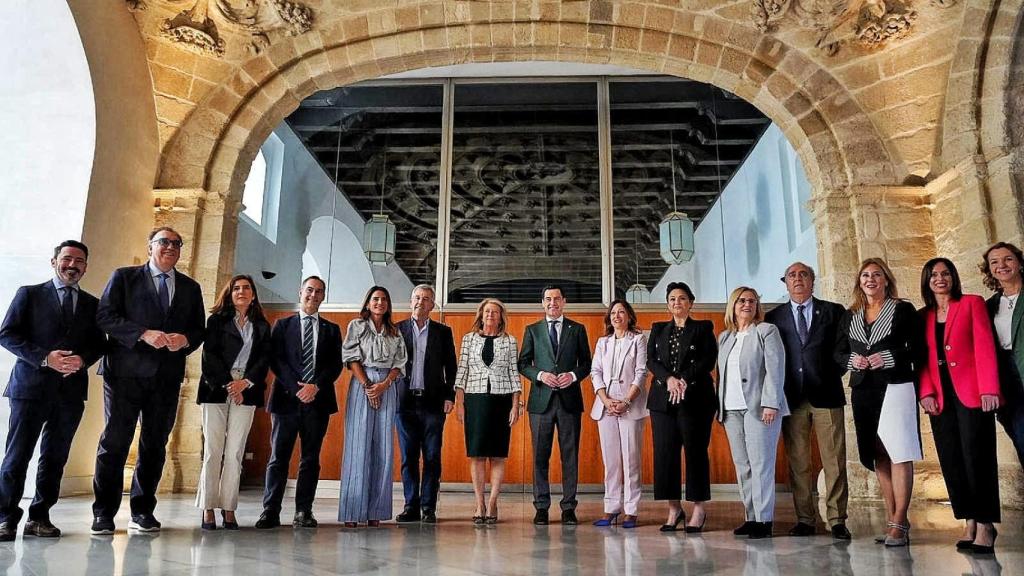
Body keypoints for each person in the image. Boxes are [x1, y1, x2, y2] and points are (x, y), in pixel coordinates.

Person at [91, 227, 206, 535]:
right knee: (114, 443)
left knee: (154, 445)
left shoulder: (190, 288)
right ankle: (103, 513)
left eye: (176, 243)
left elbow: (198, 330)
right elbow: (105, 317)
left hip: (166, 379)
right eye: (164, 242)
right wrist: (142, 334)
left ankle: (142, 511)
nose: (170, 247)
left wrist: (185, 340)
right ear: (151, 246)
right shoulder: (124, 277)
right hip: (124, 375)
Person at [0, 240, 105, 540]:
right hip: (30, 388)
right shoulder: (29, 294)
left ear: (86, 266)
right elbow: (6, 334)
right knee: (17, 455)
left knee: (55, 457)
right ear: (54, 261)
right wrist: (45, 358)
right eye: (67, 259)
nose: (72, 265)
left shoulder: (92, 305)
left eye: (79, 261)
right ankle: (5, 517)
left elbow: (100, 343)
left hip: (70, 393)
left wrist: (82, 360)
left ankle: (40, 516)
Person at [834, 258, 924, 547]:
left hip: (895, 386)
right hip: (863, 389)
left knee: (898, 450)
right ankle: (893, 518)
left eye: (876, 275)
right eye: (865, 276)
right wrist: (853, 360)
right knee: (878, 454)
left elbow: (917, 349)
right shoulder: (850, 316)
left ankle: (900, 520)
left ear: (886, 280)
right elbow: (837, 353)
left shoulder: (902, 310)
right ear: (859, 282)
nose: (870, 279)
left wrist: (887, 357)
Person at [918, 257, 1001, 553]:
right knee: (952, 459)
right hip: (940, 396)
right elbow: (922, 359)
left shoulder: (972, 303)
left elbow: (985, 346)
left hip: (972, 392)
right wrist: (925, 392)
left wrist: (989, 387)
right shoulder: (923, 316)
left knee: (977, 457)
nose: (940, 279)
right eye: (934, 275)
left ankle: (986, 524)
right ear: (927, 281)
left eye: (945, 273)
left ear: (953, 277)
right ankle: (968, 519)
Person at [764, 262, 852, 540]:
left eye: (804, 275)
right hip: (791, 398)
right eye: (792, 275)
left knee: (834, 459)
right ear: (785, 282)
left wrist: (827, 374)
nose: (798, 279)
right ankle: (804, 518)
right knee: (799, 461)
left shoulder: (834, 311)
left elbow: (843, 350)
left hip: (826, 394)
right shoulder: (773, 317)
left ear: (813, 281)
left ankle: (837, 519)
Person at [255, 276, 342, 530]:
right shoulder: (282, 325)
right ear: (300, 291)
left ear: (323, 297)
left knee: (310, 459)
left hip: (318, 401)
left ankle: (304, 511)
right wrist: (297, 389)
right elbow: (276, 360)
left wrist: (315, 387)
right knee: (278, 458)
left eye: (319, 292)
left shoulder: (331, 330)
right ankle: (270, 511)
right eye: (309, 290)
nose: (313, 295)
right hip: (286, 401)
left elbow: (335, 365)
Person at [196, 275, 272, 530]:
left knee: (235, 452)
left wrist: (245, 384)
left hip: (247, 389)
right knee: (213, 451)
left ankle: (229, 508)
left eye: (246, 288)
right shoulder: (216, 321)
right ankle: (207, 508)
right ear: (229, 293)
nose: (241, 291)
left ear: (253, 295)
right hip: (216, 388)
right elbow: (210, 357)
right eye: (236, 288)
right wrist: (229, 385)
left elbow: (264, 360)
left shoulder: (261, 324)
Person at [717, 286, 788, 540]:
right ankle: (750, 517)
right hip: (731, 409)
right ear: (733, 306)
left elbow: (775, 369)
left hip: (760, 408)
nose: (747, 305)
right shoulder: (725, 337)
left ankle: (764, 519)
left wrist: (771, 403)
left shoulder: (766, 331)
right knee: (743, 466)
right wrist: (721, 408)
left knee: (761, 465)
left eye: (752, 301)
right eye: (741, 301)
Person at [646, 282, 717, 533]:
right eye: (673, 299)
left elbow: (708, 360)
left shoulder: (703, 327)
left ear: (691, 303)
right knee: (665, 454)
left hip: (695, 398)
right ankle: (674, 508)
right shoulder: (658, 329)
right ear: (668, 304)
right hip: (662, 400)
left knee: (696, 452)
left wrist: (683, 379)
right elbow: (651, 361)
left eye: (682, 298)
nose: (677, 302)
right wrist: (670, 379)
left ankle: (698, 507)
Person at [518, 285, 592, 525]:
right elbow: (523, 363)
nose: (553, 302)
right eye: (548, 299)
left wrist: (572, 375)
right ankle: (541, 507)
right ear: (542, 303)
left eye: (557, 298)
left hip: (569, 401)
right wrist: (540, 375)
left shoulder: (578, 329)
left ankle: (569, 507)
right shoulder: (533, 330)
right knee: (540, 456)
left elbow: (587, 364)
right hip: (541, 403)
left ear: (564, 301)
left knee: (569, 456)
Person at [339, 286, 408, 527]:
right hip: (362, 385)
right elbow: (351, 358)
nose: (380, 303)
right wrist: (369, 386)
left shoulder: (394, 331)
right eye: (375, 299)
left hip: (388, 388)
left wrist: (385, 384)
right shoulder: (356, 326)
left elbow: (400, 362)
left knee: (383, 448)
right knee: (358, 446)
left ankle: (375, 511)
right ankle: (352, 511)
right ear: (368, 303)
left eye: (384, 299)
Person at [454, 298, 523, 524]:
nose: (490, 315)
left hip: (501, 400)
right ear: (480, 315)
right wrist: (460, 403)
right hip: (475, 400)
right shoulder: (469, 340)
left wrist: (516, 404)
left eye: (495, 312)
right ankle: (479, 503)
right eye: (487, 312)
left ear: (501, 317)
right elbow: (461, 373)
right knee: (476, 453)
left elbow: (515, 374)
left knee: (497, 454)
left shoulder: (509, 341)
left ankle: (493, 502)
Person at [395, 285, 457, 524]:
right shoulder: (397, 330)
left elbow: (451, 367)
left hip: (433, 404)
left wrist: (449, 396)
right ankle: (411, 505)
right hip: (404, 403)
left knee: (432, 456)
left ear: (433, 305)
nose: (421, 302)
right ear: (411, 301)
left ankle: (428, 507)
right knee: (408, 457)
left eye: (427, 299)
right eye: (417, 298)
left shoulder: (443, 332)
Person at [590, 299, 649, 529]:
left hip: (630, 403)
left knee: (631, 458)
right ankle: (611, 507)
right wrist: (605, 400)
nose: (617, 316)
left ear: (629, 316)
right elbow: (595, 371)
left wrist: (626, 401)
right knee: (611, 460)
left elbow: (641, 372)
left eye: (621, 312)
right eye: (613, 312)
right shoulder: (603, 342)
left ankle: (631, 510)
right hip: (605, 404)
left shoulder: (638, 340)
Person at [980, 242, 1024, 468]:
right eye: (994, 262)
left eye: (1007, 259)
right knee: (1019, 436)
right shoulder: (990, 306)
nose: (1001, 265)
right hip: (1006, 378)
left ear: (1018, 262)